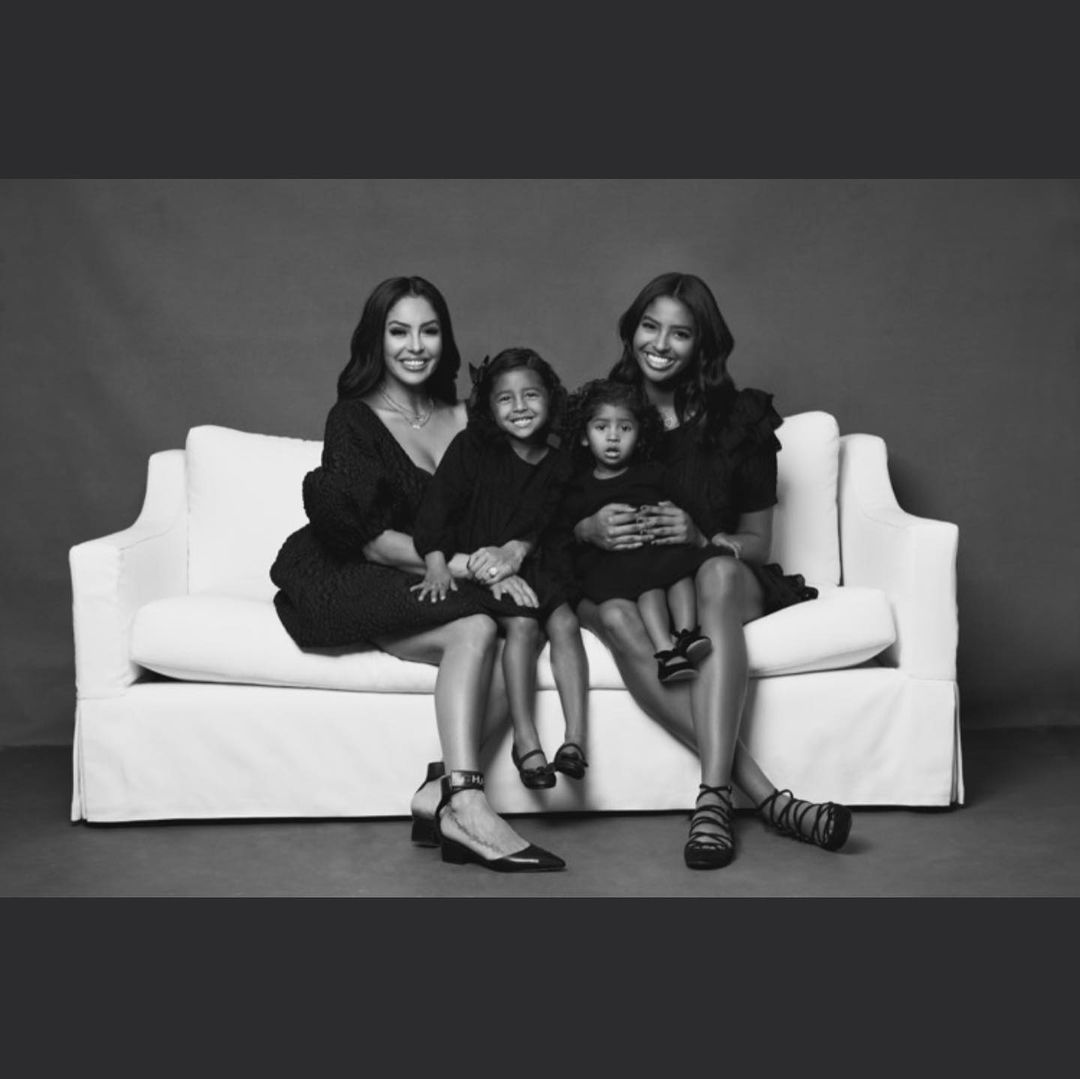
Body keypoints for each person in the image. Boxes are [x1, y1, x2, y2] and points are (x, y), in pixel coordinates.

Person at [270, 276, 565, 873]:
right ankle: (468, 803)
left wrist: (509, 553)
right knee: (476, 629)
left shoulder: (470, 416)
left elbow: (538, 481)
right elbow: (374, 543)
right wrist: (469, 568)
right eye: (399, 331)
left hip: (451, 574)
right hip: (358, 572)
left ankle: (435, 796)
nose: (415, 345)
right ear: (375, 341)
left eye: (429, 330)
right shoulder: (353, 419)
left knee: (517, 628)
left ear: (444, 339)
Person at [572, 271, 851, 870]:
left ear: (702, 345)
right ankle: (768, 801)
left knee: (716, 575)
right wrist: (585, 529)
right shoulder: (603, 413)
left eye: (680, 333)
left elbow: (754, 541)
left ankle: (713, 798)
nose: (660, 344)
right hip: (620, 583)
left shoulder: (738, 421)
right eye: (650, 326)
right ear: (632, 330)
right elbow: (553, 515)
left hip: (717, 581)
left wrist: (702, 537)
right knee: (617, 616)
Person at [412, 347, 590, 789]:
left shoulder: (558, 459)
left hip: (536, 563)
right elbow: (437, 509)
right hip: (478, 565)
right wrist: (437, 563)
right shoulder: (472, 448)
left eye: (530, 395)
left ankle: (575, 742)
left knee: (564, 621)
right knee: (525, 628)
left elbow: (547, 525)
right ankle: (525, 741)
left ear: (550, 399)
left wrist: (516, 555)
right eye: (505, 399)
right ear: (489, 409)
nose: (520, 407)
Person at [560, 378, 717, 684]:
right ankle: (664, 649)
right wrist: (583, 529)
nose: (614, 437)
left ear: (640, 434)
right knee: (651, 582)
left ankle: (686, 635)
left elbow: (692, 508)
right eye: (602, 427)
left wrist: (710, 534)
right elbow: (564, 534)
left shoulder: (653, 473)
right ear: (583, 436)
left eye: (625, 428)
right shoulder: (578, 487)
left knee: (679, 570)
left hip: (661, 555)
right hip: (619, 569)